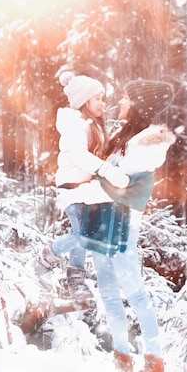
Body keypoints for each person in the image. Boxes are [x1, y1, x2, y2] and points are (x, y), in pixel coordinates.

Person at [56, 80, 175, 372]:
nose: (119, 103)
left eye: (124, 98)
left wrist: (74, 194)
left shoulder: (145, 146)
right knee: (108, 292)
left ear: (137, 105)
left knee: (133, 291)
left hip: (120, 221)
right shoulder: (125, 137)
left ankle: (154, 358)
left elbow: (113, 187)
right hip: (102, 218)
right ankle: (122, 356)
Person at [37, 71, 129, 297]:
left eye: (102, 98)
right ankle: (43, 262)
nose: (102, 103)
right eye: (97, 98)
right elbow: (79, 155)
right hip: (70, 186)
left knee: (85, 234)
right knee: (81, 235)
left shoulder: (92, 125)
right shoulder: (74, 125)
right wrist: (105, 170)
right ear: (84, 101)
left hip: (85, 188)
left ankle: (75, 280)